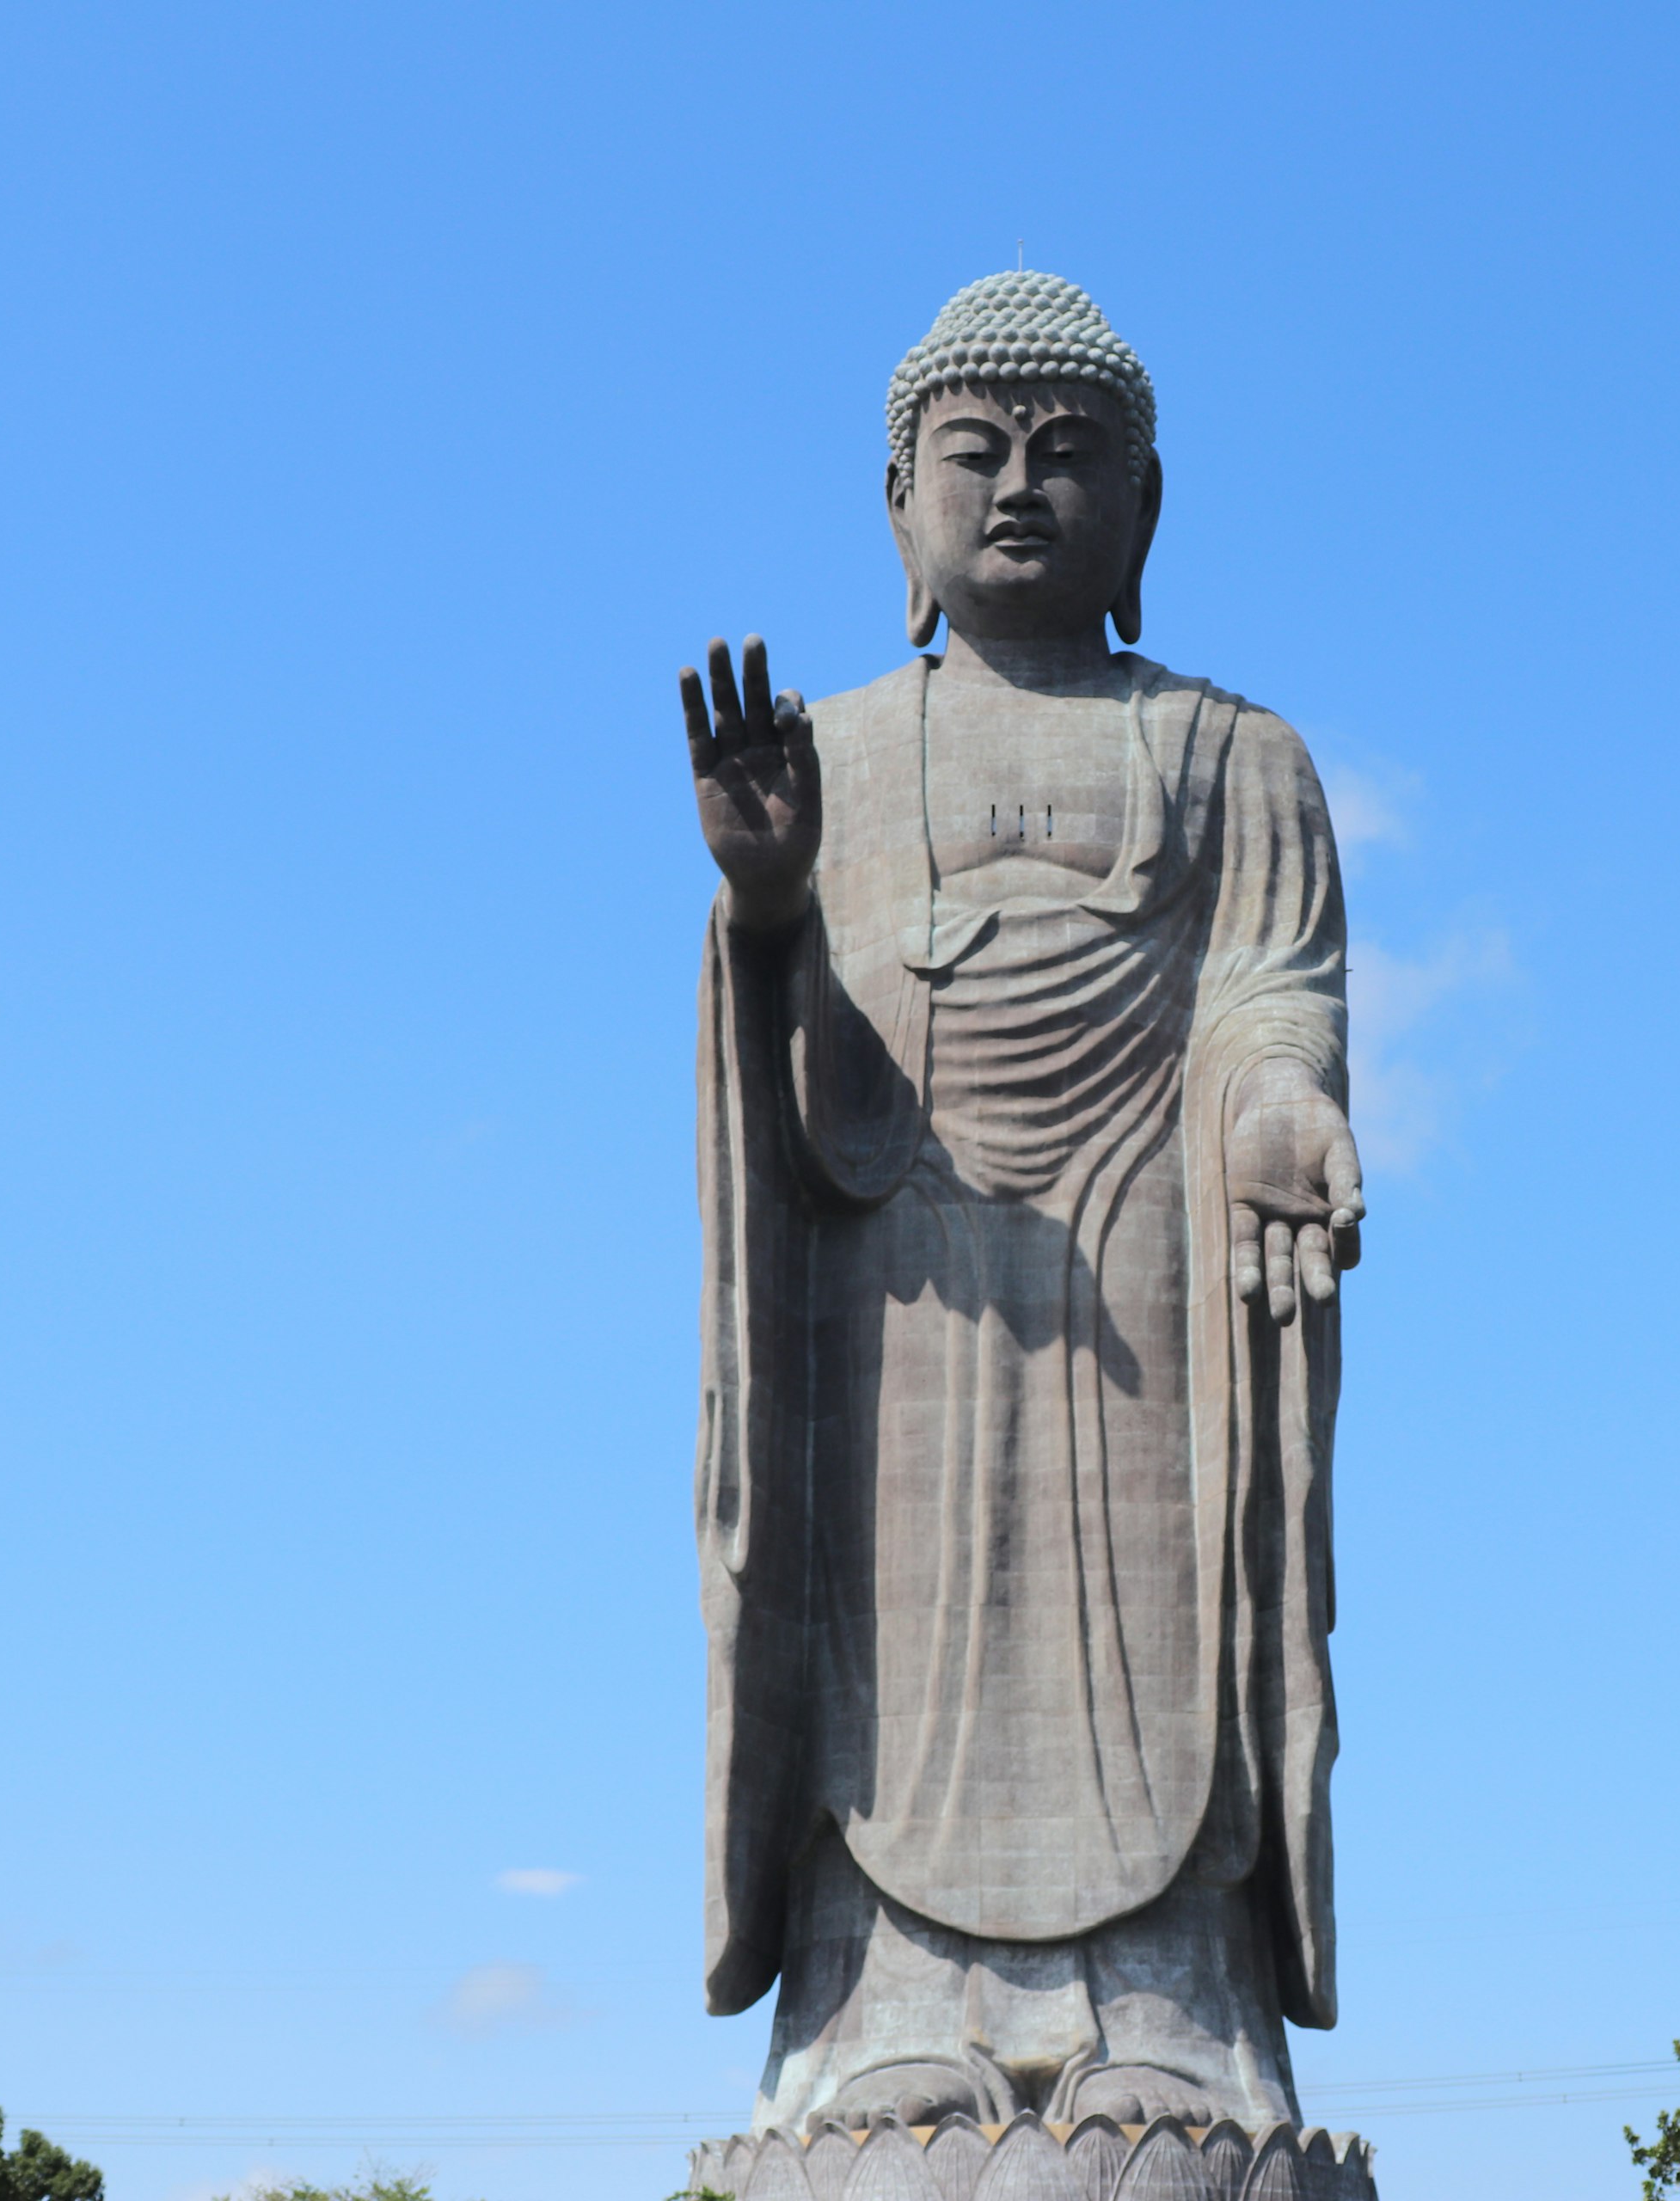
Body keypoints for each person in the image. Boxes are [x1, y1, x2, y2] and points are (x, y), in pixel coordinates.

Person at [684, 272, 1364, 2135]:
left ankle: (1177, 2001)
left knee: (1169, 1607)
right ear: (896, 501)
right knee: (882, 1625)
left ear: (1146, 510)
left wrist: (1283, 1103)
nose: (1018, 490)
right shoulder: (825, 749)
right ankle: (884, 1997)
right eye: (970, 453)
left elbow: (1268, 989)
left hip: (1147, 1276)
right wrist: (762, 908)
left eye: (1072, 458)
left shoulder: (1241, 758)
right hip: (898, 1282)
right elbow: (811, 1088)